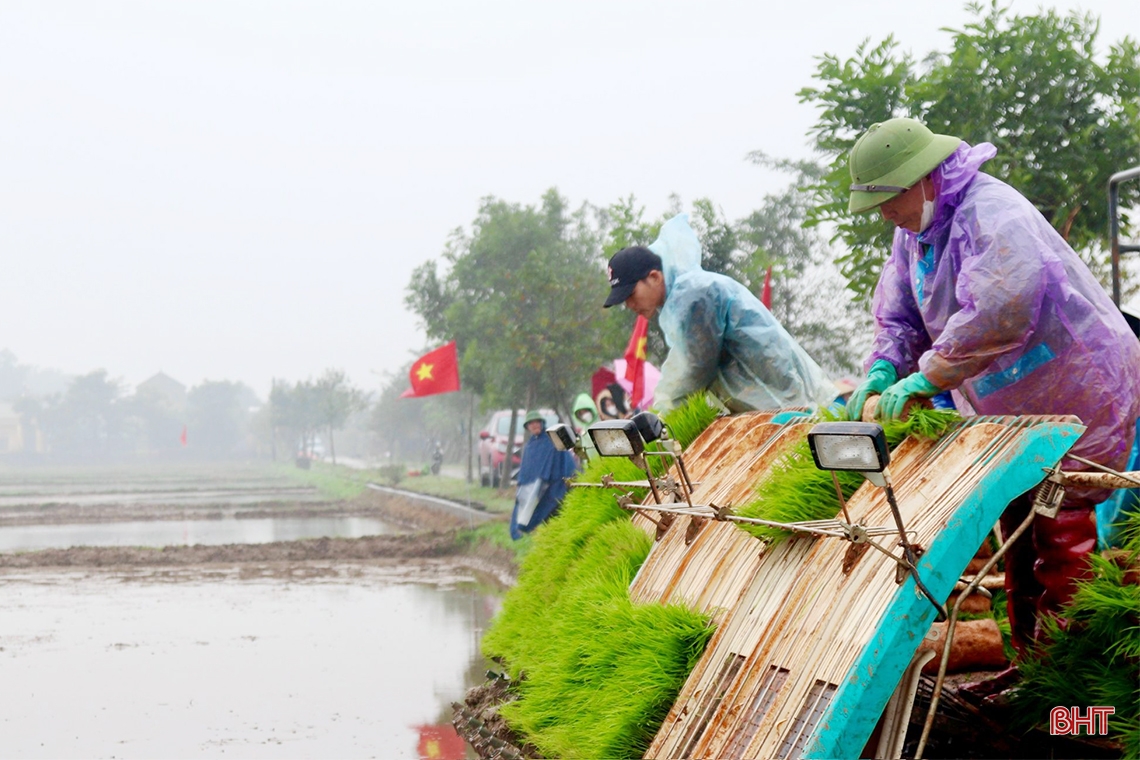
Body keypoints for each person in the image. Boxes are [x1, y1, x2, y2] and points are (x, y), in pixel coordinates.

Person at [844, 117, 1140, 680]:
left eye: (886, 198)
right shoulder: (915, 234)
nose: (884, 213)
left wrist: (926, 377)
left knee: (1059, 528)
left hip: (1077, 387)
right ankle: (1028, 668)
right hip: (1011, 404)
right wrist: (886, 366)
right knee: (1019, 526)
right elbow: (900, 313)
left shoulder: (991, 211)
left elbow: (1001, 308)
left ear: (922, 178)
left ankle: (1067, 689)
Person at [603, 214, 836, 414]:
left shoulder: (695, 294)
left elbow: (694, 370)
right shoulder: (679, 300)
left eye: (631, 294)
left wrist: (660, 415)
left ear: (654, 277)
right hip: (767, 403)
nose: (630, 305)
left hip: (781, 398)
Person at [508, 411, 578, 540]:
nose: (534, 425)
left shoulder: (552, 439)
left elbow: (565, 461)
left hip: (557, 485)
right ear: (527, 427)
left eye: (536, 422)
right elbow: (526, 472)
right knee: (541, 515)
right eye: (531, 423)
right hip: (538, 488)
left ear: (541, 423)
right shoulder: (530, 446)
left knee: (556, 511)